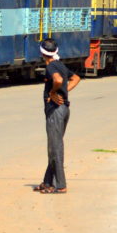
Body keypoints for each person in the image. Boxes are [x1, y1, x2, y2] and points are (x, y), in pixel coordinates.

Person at [35, 38, 81, 194]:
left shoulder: (51, 67)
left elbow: (58, 79)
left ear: (42, 52)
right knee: (53, 147)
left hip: (56, 111)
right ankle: (48, 182)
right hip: (63, 110)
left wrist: (54, 92)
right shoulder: (59, 64)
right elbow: (76, 78)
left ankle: (60, 185)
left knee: (55, 148)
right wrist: (64, 91)